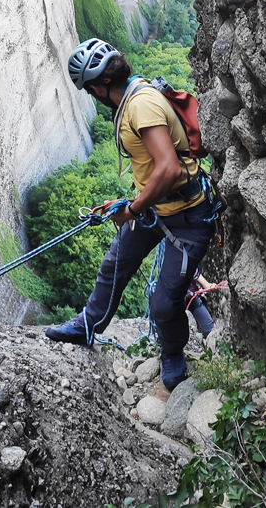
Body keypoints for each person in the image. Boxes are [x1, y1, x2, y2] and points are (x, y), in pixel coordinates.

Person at [45, 38, 217, 389]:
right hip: (159, 207)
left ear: (99, 86)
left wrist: (133, 209)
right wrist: (135, 205)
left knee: (165, 302)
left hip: (187, 217)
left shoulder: (140, 107)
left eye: (90, 89)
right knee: (116, 261)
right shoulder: (133, 97)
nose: (91, 95)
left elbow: (168, 168)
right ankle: (88, 325)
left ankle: (173, 353)